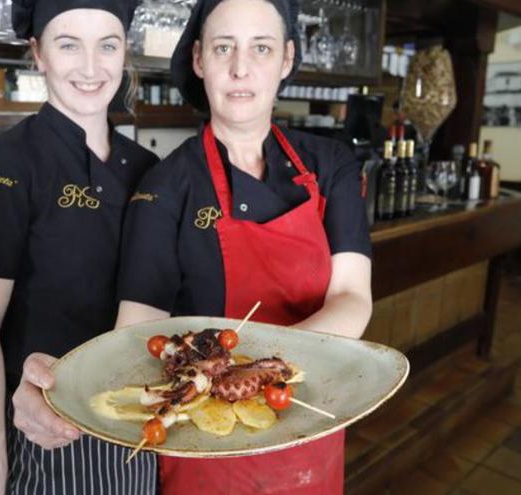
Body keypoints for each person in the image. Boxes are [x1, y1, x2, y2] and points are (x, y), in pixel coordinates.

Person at [114, 0, 373, 493]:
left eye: (261, 47)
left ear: (286, 59)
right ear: (198, 59)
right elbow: (136, 331)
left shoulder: (332, 164)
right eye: (223, 47)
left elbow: (353, 299)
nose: (240, 67)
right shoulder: (164, 186)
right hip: (205, 443)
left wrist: (262, 374)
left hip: (309, 418)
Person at [0, 1, 159, 493]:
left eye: (106, 45)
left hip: (140, 423)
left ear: (124, 51)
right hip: (51, 434)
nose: (91, 68)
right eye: (68, 44)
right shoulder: (6, 164)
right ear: (38, 53)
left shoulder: (148, 168)